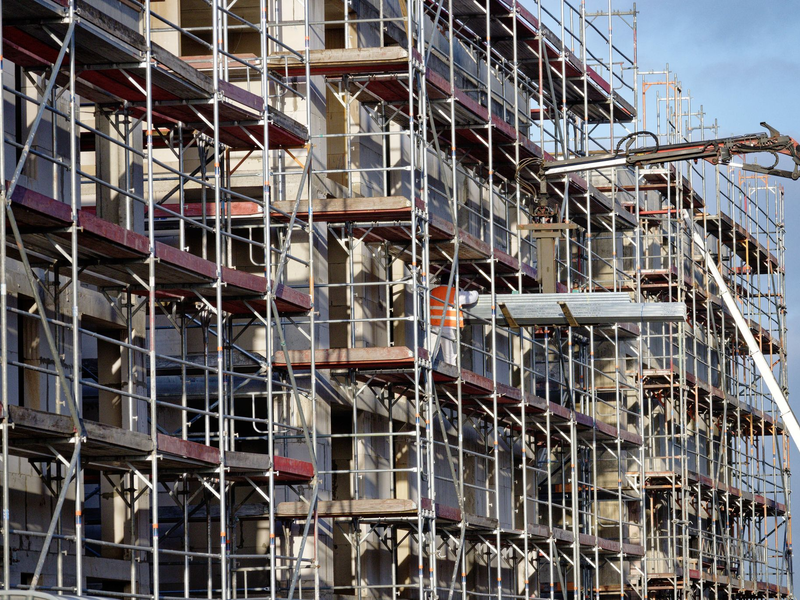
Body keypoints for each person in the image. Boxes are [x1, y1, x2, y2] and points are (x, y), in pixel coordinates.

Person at [430, 281, 479, 366]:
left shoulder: (432, 292)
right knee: (450, 356)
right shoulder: (455, 293)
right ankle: (450, 374)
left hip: (434, 325)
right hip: (449, 327)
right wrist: (476, 292)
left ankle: (427, 369)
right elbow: (472, 297)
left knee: (429, 352)